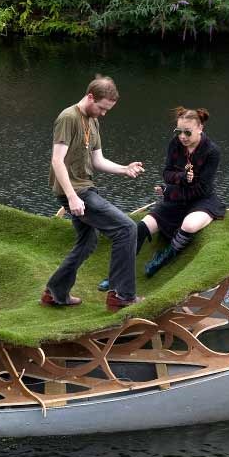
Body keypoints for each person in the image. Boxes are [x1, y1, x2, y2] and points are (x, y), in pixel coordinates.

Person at [43, 75, 146, 311]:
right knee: (126, 229)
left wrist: (124, 169)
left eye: (107, 110)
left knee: (88, 242)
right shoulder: (68, 118)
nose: (103, 113)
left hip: (84, 188)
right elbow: (57, 161)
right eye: (101, 108)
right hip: (76, 192)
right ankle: (121, 295)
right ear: (90, 97)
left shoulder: (93, 121)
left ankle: (55, 292)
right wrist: (71, 197)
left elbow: (97, 160)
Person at [141, 106, 226, 277]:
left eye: (187, 132)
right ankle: (116, 274)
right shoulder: (175, 143)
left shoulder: (212, 151)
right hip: (177, 196)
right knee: (141, 227)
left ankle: (165, 256)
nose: (182, 137)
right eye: (178, 131)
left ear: (200, 128)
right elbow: (167, 174)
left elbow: (202, 188)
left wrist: (168, 192)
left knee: (189, 225)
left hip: (202, 200)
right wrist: (180, 178)